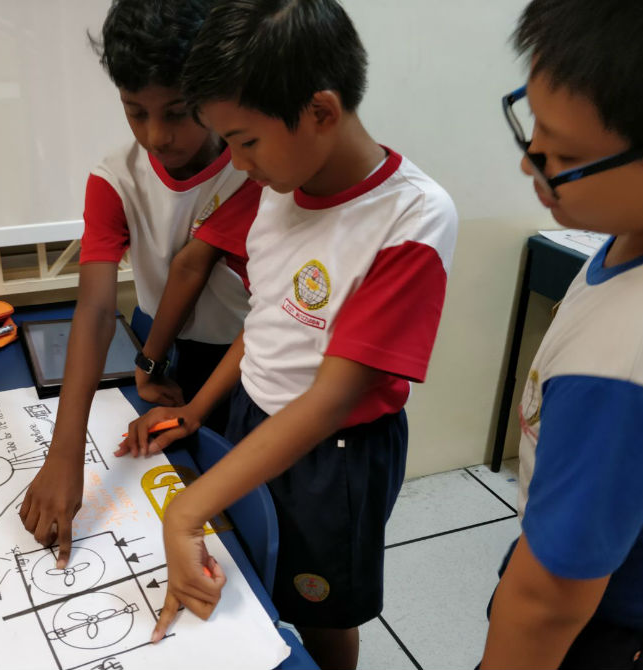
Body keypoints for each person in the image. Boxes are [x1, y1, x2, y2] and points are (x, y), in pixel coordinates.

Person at [118, 1, 457, 667]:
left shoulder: (412, 218)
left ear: (321, 112)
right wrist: (198, 408)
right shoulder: (276, 185)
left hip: (335, 455)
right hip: (253, 417)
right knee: (258, 576)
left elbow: (331, 399)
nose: (238, 163)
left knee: (323, 610)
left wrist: (186, 512)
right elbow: (268, 318)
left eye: (245, 141)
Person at [479, 1, 643, 668]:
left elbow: (546, 604)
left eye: (564, 154)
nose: (530, 165)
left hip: (619, 628)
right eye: (533, 125)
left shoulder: (627, 367)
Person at [19, 0, 258, 567]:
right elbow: (96, 311)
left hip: (245, 354)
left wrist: (154, 364)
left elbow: (195, 270)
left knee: (239, 517)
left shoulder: (254, 166)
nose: (156, 135)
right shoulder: (115, 178)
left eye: (177, 112)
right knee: (173, 479)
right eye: (135, 112)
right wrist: (65, 454)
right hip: (162, 337)